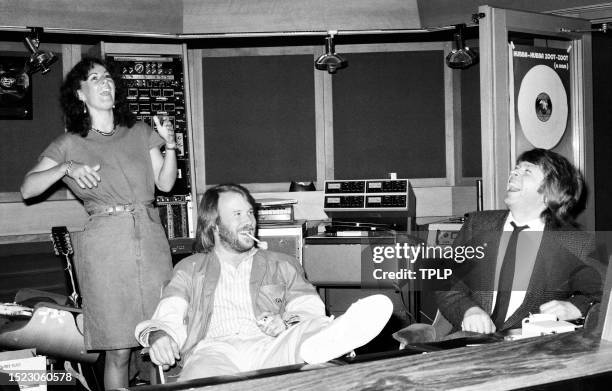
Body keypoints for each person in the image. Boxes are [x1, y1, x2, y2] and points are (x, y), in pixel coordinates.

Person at [20, 57, 176, 389]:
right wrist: (66, 168)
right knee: (118, 350)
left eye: (108, 78)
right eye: (95, 78)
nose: (105, 83)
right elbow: (28, 188)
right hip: (105, 248)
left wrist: (171, 143)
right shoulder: (69, 144)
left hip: (149, 238)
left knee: (162, 337)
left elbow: (165, 184)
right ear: (79, 93)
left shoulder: (139, 131)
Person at [135, 184, 393, 380]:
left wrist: (287, 321)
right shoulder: (189, 269)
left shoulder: (282, 263)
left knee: (307, 333)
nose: (248, 221)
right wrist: (160, 337)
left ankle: (334, 336)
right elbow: (168, 316)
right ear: (214, 224)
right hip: (213, 350)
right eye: (237, 214)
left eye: (250, 212)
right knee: (206, 379)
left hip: (270, 346)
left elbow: (310, 309)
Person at [435, 148, 602, 335]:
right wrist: (468, 310)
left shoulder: (575, 242)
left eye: (527, 171)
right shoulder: (477, 225)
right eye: (515, 168)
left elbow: (603, 293)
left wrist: (576, 307)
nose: (513, 173)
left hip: (533, 350)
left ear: (551, 191)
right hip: (471, 344)